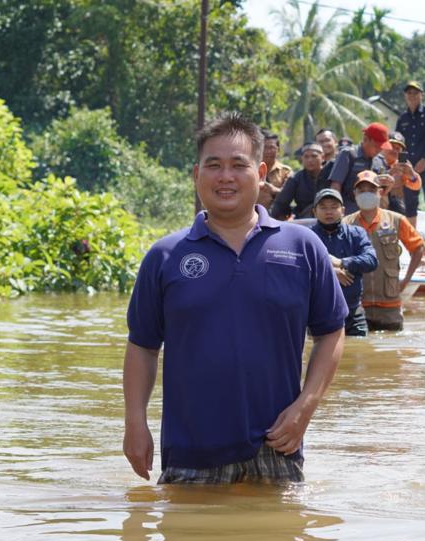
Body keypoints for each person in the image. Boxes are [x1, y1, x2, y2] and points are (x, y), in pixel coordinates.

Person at [122, 113, 348, 484]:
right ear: (196, 175)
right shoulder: (165, 256)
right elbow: (143, 346)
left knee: (278, 539)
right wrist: (135, 423)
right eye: (213, 166)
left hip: (278, 447)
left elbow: (331, 331)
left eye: (237, 165)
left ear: (261, 173)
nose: (225, 177)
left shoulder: (303, 247)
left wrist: (305, 407)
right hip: (189, 454)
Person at [343, 170, 425, 332]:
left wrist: (405, 281)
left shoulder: (396, 220)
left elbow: (418, 248)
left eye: (371, 190)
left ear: (380, 192)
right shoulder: (346, 224)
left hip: (390, 304)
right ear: (355, 194)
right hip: (358, 305)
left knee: (391, 348)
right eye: (362, 190)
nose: (367, 194)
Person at [310, 188, 379, 336]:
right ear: (314, 212)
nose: (329, 211)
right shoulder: (307, 237)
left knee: (359, 355)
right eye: (323, 207)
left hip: (354, 313)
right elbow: (300, 269)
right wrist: (330, 272)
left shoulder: (356, 233)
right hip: (319, 313)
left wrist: (342, 262)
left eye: (334, 207)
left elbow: (372, 260)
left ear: (343, 210)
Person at [395, 80, 425, 237]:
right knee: (410, 204)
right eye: (409, 93)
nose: (412, 96)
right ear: (405, 96)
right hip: (409, 168)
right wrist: (401, 166)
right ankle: (412, 241)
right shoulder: (402, 119)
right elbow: (398, 143)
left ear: (422, 95)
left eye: (415, 93)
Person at [328, 123, 391, 213]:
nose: (379, 150)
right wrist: (337, 210)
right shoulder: (349, 154)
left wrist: (389, 184)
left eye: (381, 147)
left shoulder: (379, 161)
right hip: (349, 210)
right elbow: (335, 186)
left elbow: (382, 192)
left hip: (372, 212)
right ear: (366, 139)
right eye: (376, 146)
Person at [271, 143, 324, 220]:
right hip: (304, 219)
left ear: (323, 157)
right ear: (302, 159)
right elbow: (281, 202)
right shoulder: (295, 178)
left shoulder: (330, 175)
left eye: (314, 156)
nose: (310, 160)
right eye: (306, 157)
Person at [383, 131, 422, 216]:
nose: (394, 150)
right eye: (392, 146)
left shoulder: (402, 166)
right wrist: (390, 172)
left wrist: (412, 175)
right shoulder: (375, 161)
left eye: (398, 148)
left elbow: (416, 186)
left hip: (395, 211)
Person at [259, 130, 293, 210]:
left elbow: (289, 196)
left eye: (271, 147)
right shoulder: (251, 169)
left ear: (278, 150)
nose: (267, 151)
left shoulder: (286, 171)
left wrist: (273, 190)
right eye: (264, 147)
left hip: (278, 217)